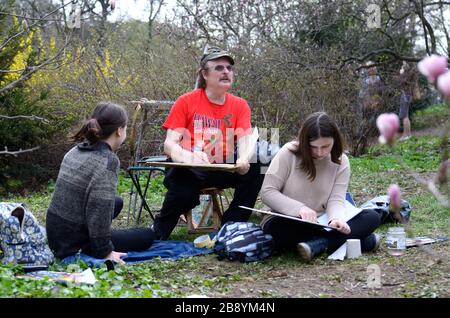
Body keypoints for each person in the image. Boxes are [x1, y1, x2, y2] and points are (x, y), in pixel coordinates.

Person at [151, 46, 264, 240]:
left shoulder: (239, 105)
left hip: (221, 167)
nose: (226, 71)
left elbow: (246, 139)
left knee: (259, 159)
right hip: (189, 167)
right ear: (205, 74)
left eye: (229, 68)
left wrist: (244, 158)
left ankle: (231, 227)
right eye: (219, 68)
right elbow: (169, 144)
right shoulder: (186, 101)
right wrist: (189, 157)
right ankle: (157, 233)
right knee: (183, 194)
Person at [260, 112, 381, 262]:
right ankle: (360, 241)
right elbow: (267, 192)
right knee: (280, 230)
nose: (319, 152)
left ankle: (320, 244)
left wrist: (336, 219)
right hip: (287, 219)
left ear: (334, 140)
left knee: (372, 217)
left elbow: (336, 198)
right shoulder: (288, 152)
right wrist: (299, 209)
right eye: (313, 147)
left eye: (325, 146)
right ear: (305, 142)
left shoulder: (341, 161)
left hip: (322, 220)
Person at [46, 102, 155, 264]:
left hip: (55, 232)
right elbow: (99, 209)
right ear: (119, 131)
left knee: (117, 202)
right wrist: (105, 251)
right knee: (147, 235)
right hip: (73, 244)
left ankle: (98, 234)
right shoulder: (108, 160)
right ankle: (99, 238)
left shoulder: (75, 150)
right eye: (125, 128)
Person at [397, 61, 418, 140]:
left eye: (403, 63)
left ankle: (405, 135)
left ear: (407, 64)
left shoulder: (407, 74)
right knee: (406, 116)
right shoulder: (410, 73)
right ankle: (408, 135)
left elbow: (402, 82)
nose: (402, 65)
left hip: (405, 95)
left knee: (404, 116)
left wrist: (401, 73)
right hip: (408, 94)